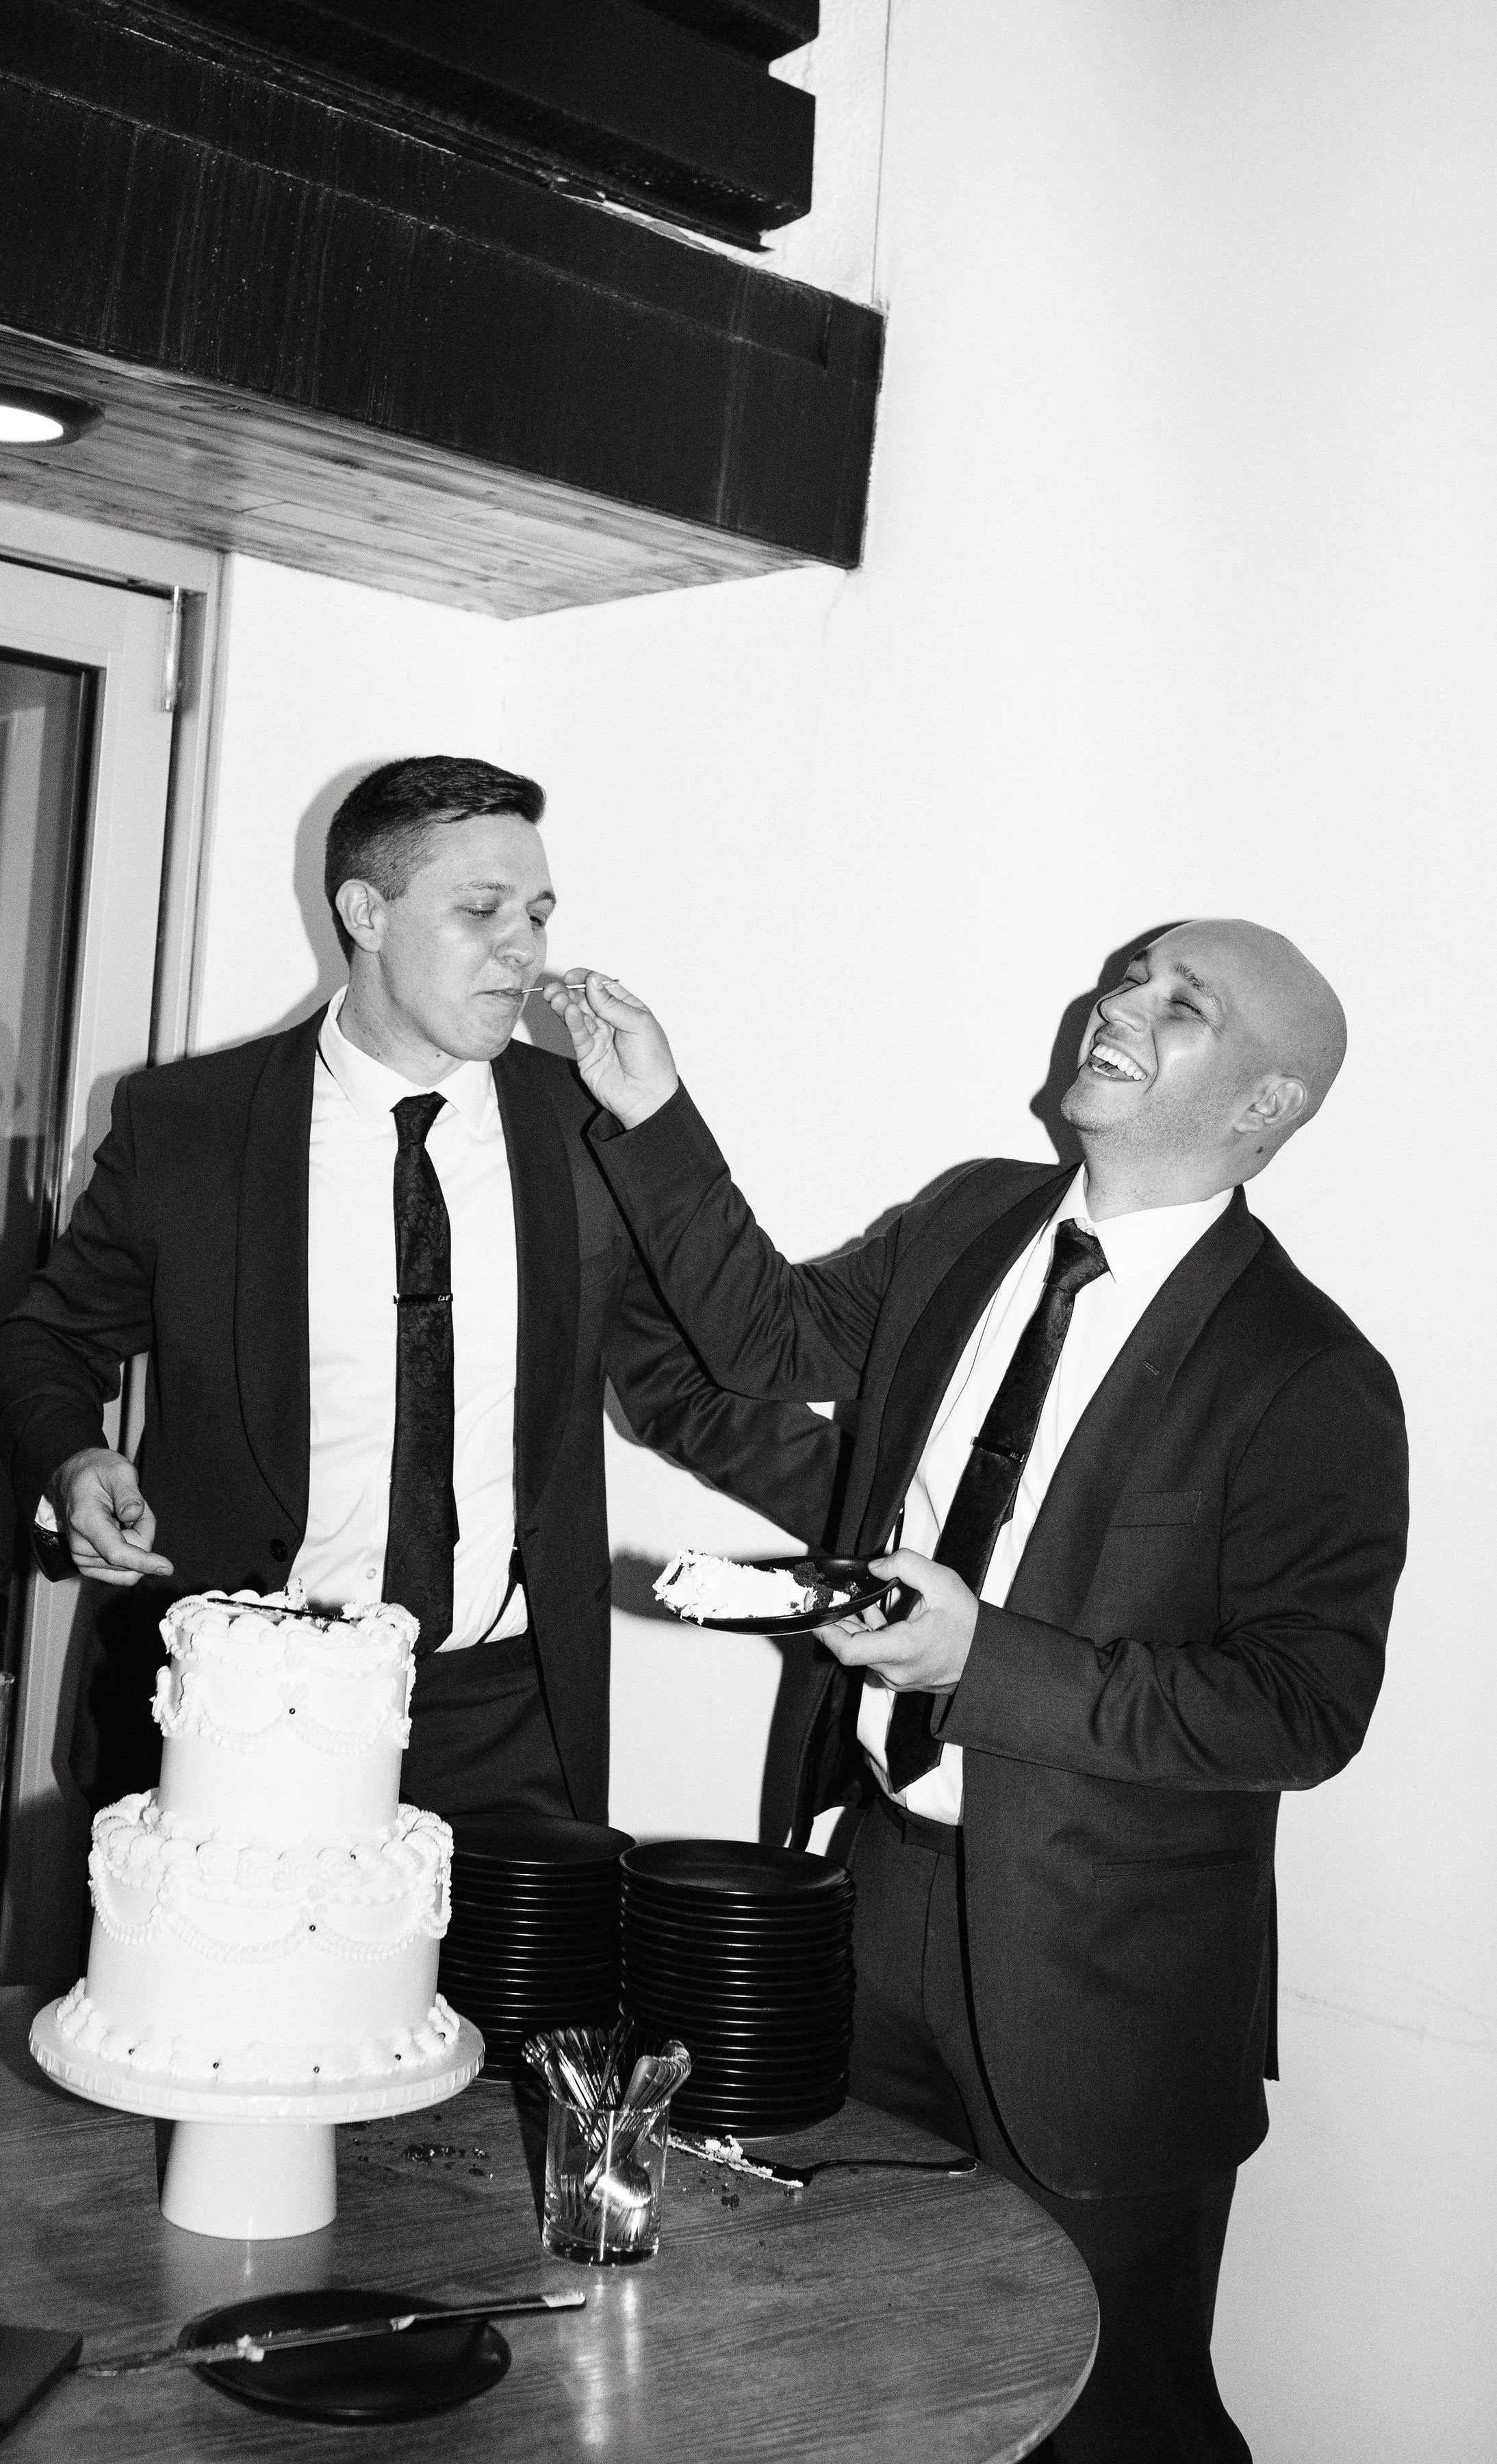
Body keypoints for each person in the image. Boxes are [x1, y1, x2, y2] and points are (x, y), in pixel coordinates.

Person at [544, 923, 1409, 2464]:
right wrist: (650, 1110)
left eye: (1179, 1001)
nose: (1120, 1003)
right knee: (871, 2356)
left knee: (1114, 2414)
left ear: (1266, 1106)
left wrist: (979, 1662)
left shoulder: (1306, 1371)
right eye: (1129, 974)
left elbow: (1300, 1707)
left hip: (1107, 1989)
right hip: (868, 1892)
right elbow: (761, 1337)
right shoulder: (969, 1222)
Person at [0, 756, 836, 1824]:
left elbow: (687, 1390)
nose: (521, 947)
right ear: (365, 912)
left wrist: (907, 1515)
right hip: (245, 1695)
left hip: (508, 1712)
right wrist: (70, 1456)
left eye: (536, 912)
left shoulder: (585, 1129)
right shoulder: (188, 1124)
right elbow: (47, 1340)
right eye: (480, 910)